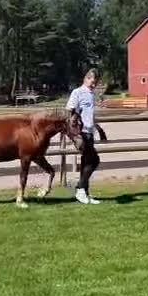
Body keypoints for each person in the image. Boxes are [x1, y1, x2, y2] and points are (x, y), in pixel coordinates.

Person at [66, 68, 101, 204]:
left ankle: (84, 192)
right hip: (82, 133)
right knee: (94, 160)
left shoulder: (91, 94)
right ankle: (80, 188)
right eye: (92, 81)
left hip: (90, 132)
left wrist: (98, 128)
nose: (94, 84)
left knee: (87, 162)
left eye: (96, 82)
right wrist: (74, 132)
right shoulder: (77, 92)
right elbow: (69, 111)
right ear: (86, 79)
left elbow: (89, 114)